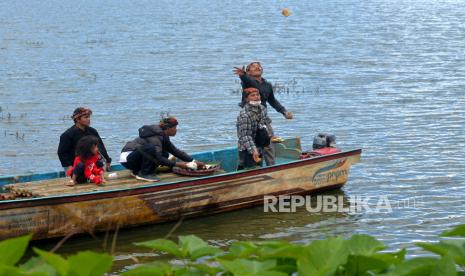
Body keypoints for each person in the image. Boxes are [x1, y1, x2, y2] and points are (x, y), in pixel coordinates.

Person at [233, 61, 293, 166]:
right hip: (249, 117)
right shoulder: (248, 82)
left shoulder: (267, 85)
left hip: (263, 116)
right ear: (248, 72)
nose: (258, 68)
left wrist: (284, 111)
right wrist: (243, 75)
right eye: (254, 67)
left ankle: (272, 166)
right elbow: (246, 80)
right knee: (250, 142)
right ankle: (253, 165)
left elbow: (272, 101)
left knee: (268, 143)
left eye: (259, 66)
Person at [120, 116, 205, 182]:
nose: (176, 130)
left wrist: (193, 160)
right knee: (150, 148)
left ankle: (137, 171)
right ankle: (144, 173)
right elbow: (158, 158)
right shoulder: (155, 137)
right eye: (175, 128)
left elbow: (176, 151)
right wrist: (180, 164)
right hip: (128, 159)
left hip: (136, 157)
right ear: (168, 128)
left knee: (165, 154)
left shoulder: (163, 136)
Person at [57, 107, 112, 172]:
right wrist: (68, 167)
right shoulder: (67, 135)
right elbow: (61, 153)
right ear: (77, 119)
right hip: (76, 165)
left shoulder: (93, 131)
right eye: (86, 117)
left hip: (92, 163)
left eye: (89, 117)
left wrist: (107, 160)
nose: (89, 119)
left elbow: (101, 147)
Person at [236, 88, 273, 170]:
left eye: (258, 95)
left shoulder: (262, 108)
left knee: (259, 166)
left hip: (259, 144)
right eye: (253, 95)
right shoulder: (245, 115)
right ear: (246, 99)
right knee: (249, 169)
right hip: (247, 147)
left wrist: (270, 135)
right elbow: (245, 136)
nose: (256, 97)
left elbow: (266, 121)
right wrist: (253, 150)